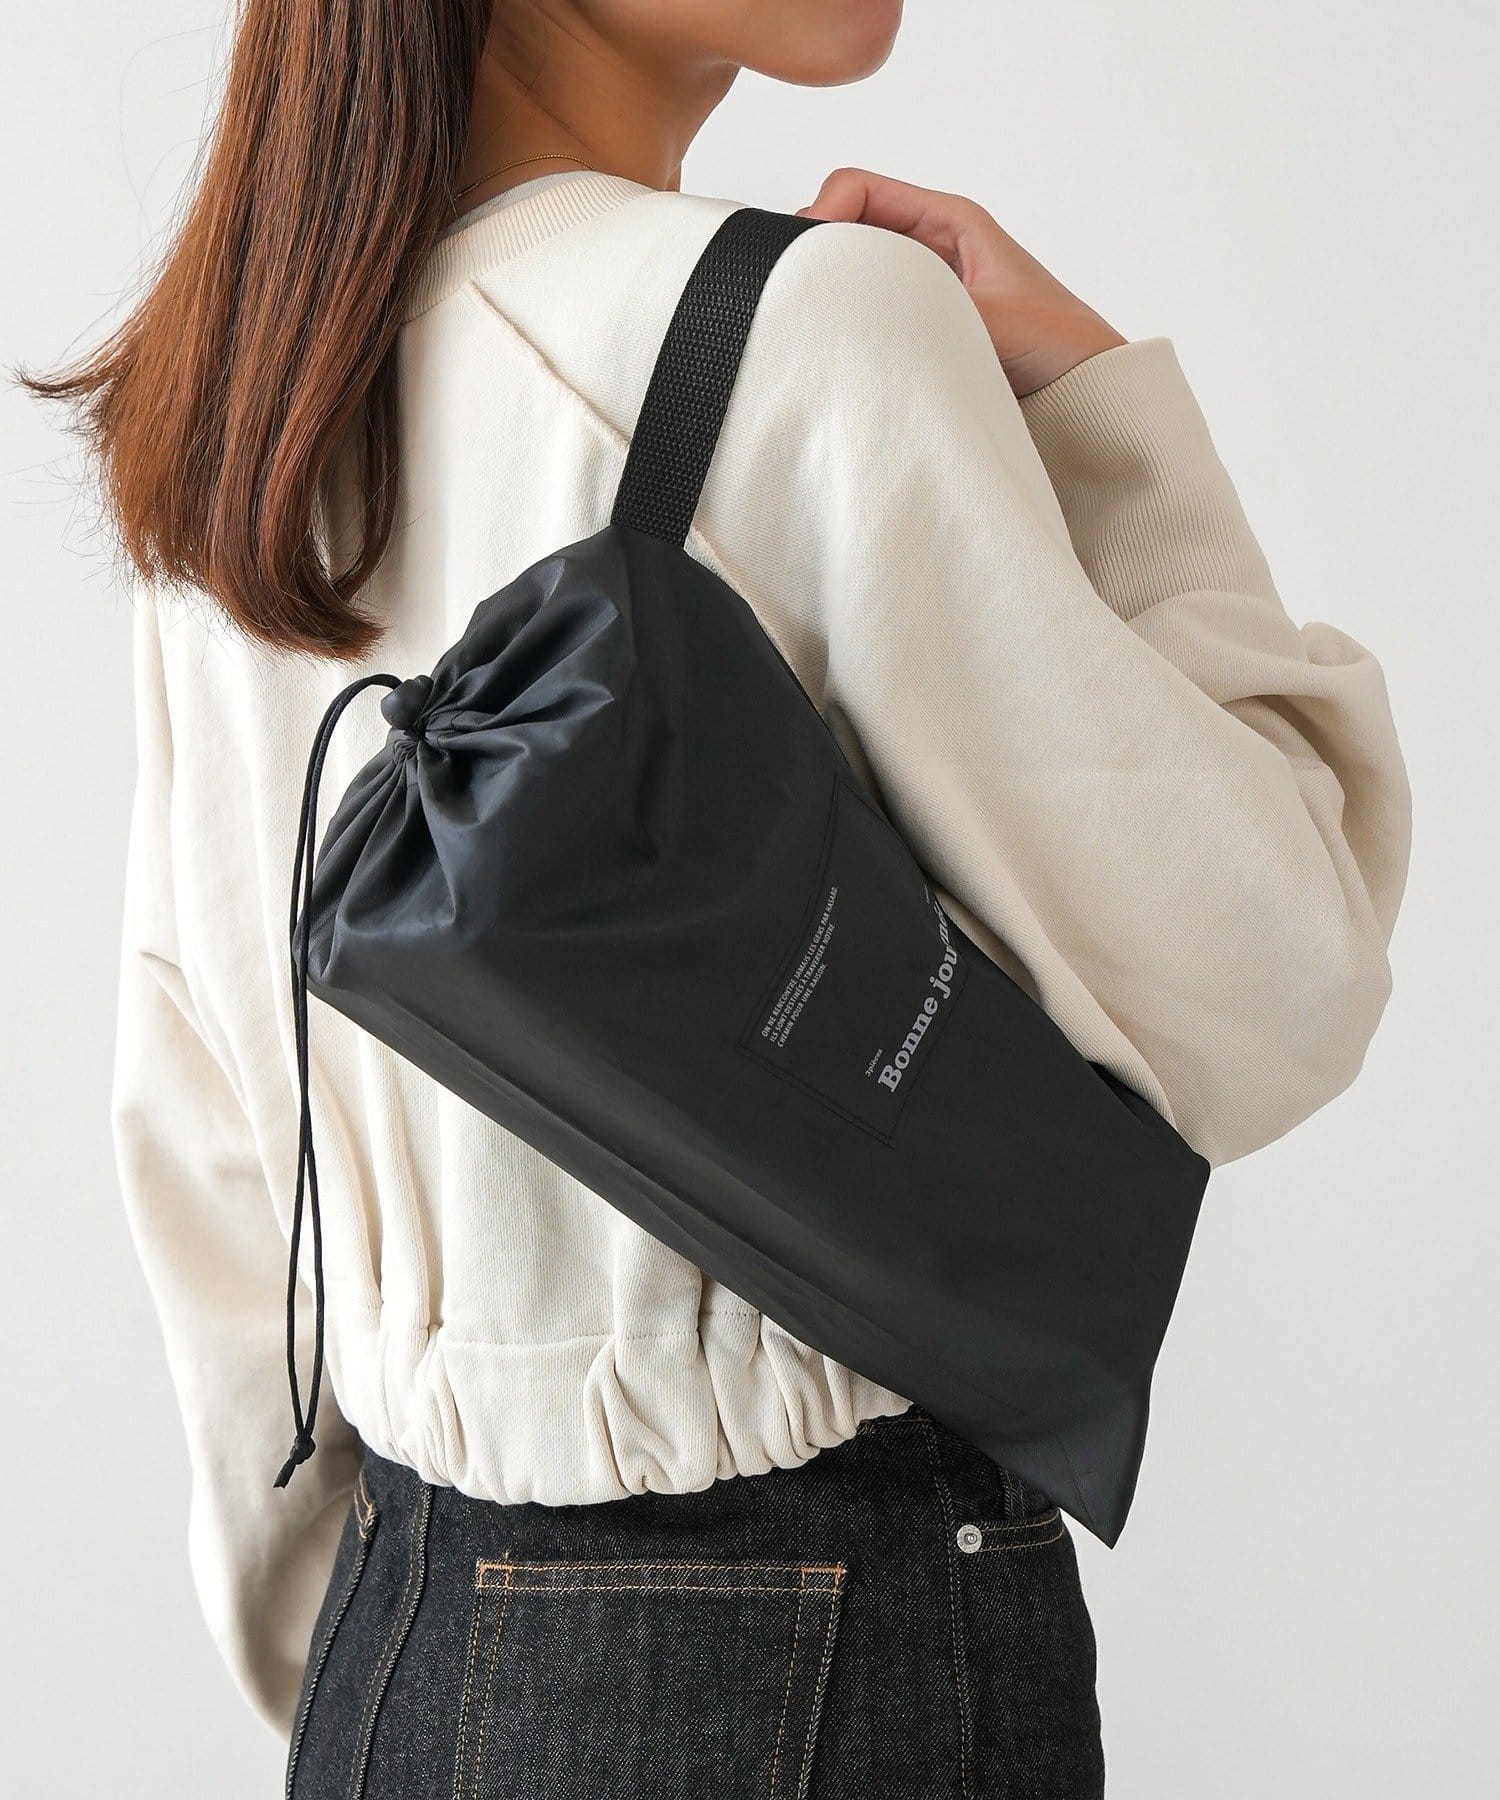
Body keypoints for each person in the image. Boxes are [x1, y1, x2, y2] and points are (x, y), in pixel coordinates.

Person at [31, 1, 1410, 1793]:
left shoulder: (247, 410)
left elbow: (219, 1168)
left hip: (397, 1656)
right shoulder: (816, 330)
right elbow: (1277, 977)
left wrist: (388, 1667)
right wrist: (1101, 413)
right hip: (820, 1658)